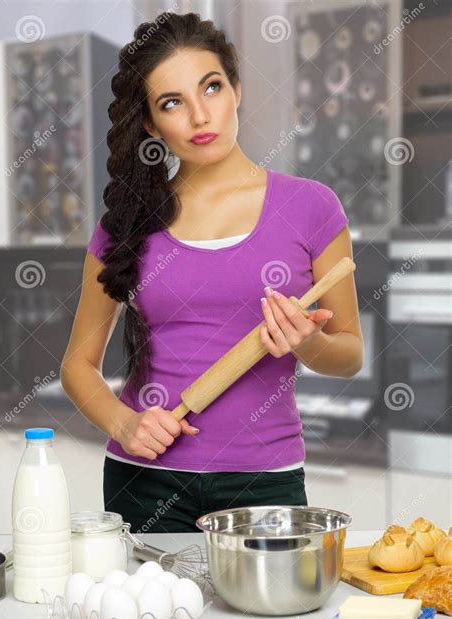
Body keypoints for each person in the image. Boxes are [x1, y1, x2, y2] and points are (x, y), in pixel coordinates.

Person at [61, 11, 363, 533]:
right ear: (152, 124)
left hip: (265, 482)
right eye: (172, 102)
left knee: (271, 616)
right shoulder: (128, 222)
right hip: (144, 479)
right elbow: (76, 366)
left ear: (237, 89)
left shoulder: (311, 207)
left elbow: (350, 354)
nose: (201, 116)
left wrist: (303, 343)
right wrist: (123, 422)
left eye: (212, 87)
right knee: (153, 615)